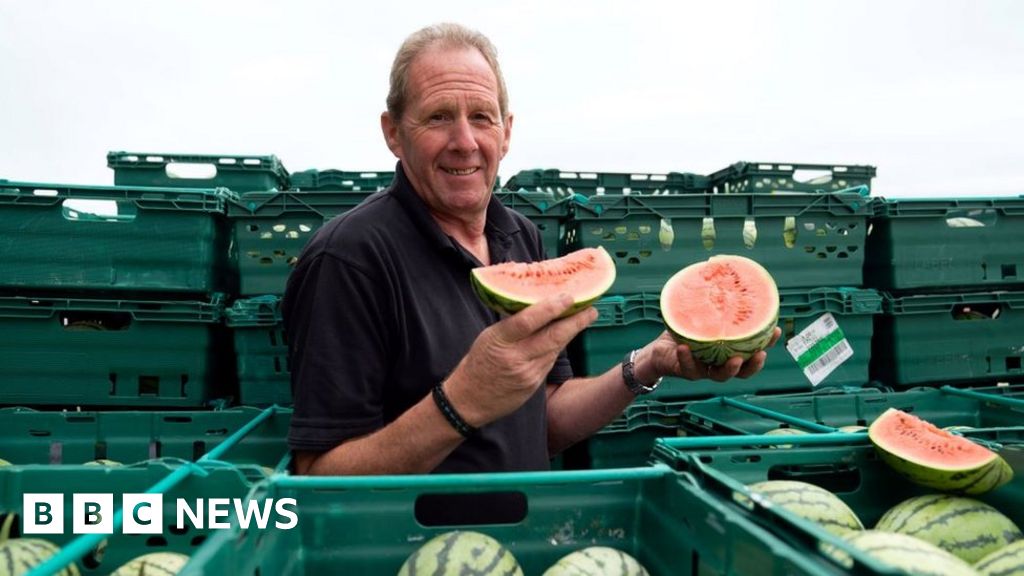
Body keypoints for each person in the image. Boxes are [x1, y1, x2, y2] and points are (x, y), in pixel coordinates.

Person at [284, 22, 780, 478]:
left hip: (528, 538)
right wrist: (461, 401)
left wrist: (649, 362)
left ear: (507, 131)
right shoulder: (348, 259)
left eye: (482, 117)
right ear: (393, 132)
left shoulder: (520, 237)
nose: (464, 141)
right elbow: (319, 474)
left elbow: (544, 417)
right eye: (438, 117)